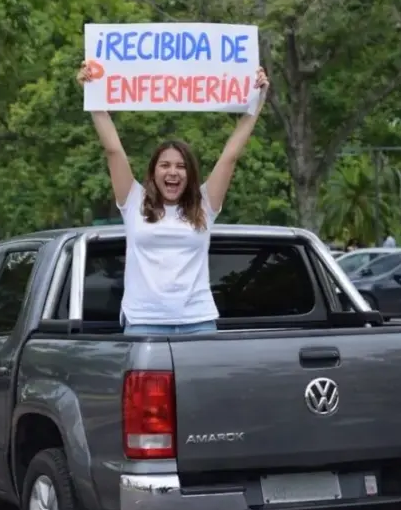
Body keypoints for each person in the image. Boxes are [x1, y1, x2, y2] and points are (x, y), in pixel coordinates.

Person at [77, 61, 269, 336]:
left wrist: (257, 100)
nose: (173, 172)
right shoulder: (133, 200)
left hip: (198, 323)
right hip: (144, 322)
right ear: (153, 172)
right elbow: (113, 150)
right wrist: (93, 94)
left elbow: (230, 156)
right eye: (165, 165)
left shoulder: (205, 204)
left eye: (181, 166)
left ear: (190, 174)